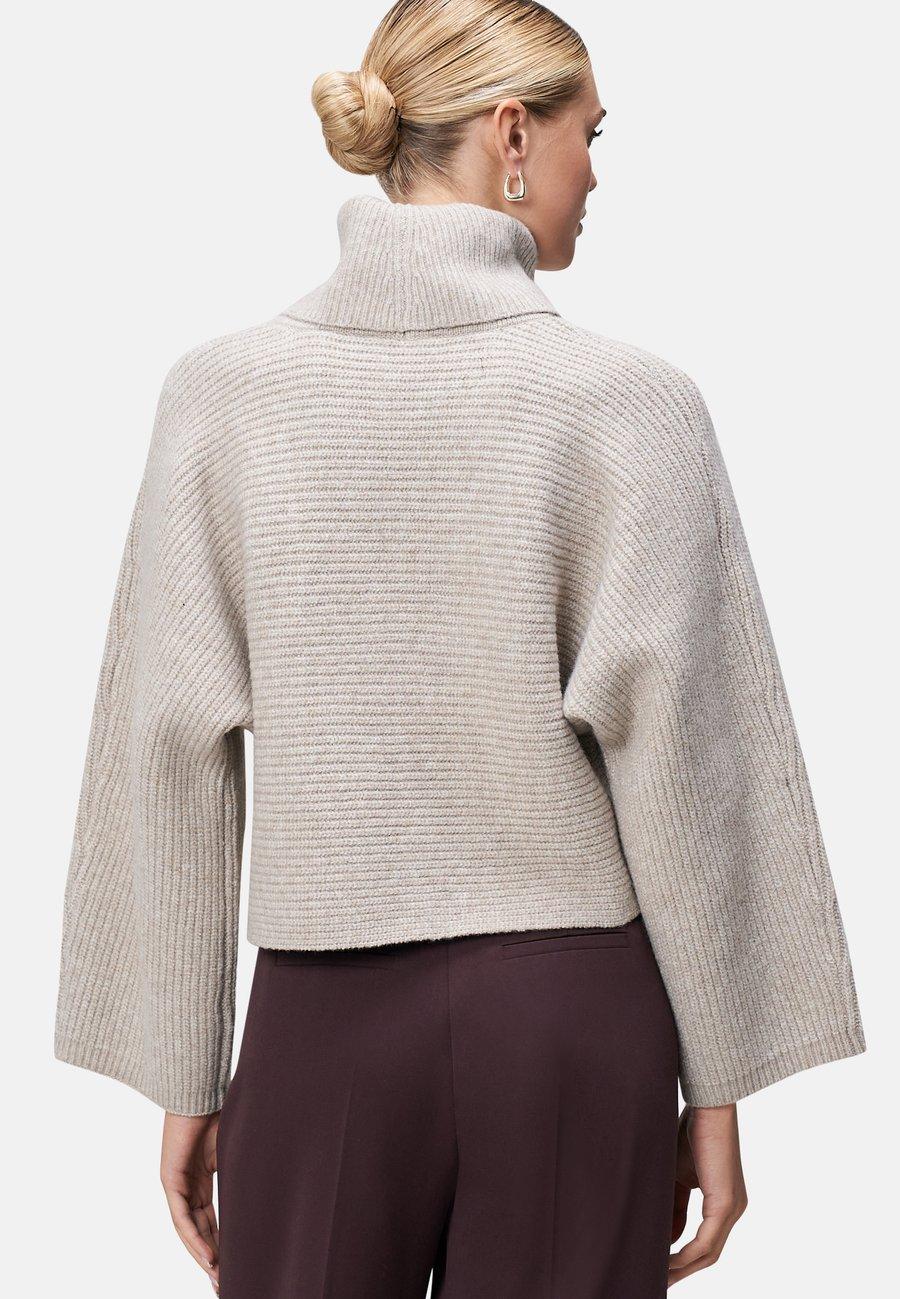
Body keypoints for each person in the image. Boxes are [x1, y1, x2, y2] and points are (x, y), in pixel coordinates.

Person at [53, 1, 866, 1295]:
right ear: (512, 134)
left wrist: (183, 1068)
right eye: (592, 133)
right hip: (570, 1021)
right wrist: (717, 1082)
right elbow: (690, 757)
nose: (598, 171)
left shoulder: (222, 395)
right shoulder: (629, 403)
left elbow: (167, 740)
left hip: (317, 1021)